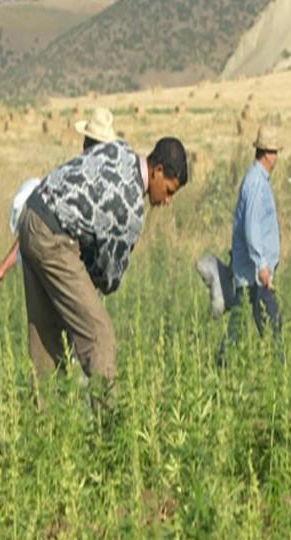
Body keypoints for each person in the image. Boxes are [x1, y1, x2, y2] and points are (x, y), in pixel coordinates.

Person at [17, 136, 189, 402]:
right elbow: (108, 277)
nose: (166, 201)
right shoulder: (131, 210)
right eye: (168, 191)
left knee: (47, 337)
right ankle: (108, 427)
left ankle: (46, 426)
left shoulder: (119, 149)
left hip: (31, 215)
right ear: (157, 172)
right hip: (54, 238)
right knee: (99, 335)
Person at [0, 107, 118, 292]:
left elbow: (36, 220)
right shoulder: (79, 182)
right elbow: (38, 220)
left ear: (85, 143)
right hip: (66, 278)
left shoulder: (77, 180)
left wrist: (3, 267)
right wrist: (4, 267)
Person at [216, 125, 283, 365]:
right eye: (275, 151)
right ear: (268, 154)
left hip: (253, 272)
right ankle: (278, 372)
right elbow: (252, 227)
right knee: (271, 322)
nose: (277, 157)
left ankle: (222, 366)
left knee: (247, 323)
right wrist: (262, 266)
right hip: (254, 273)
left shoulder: (257, 180)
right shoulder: (256, 183)